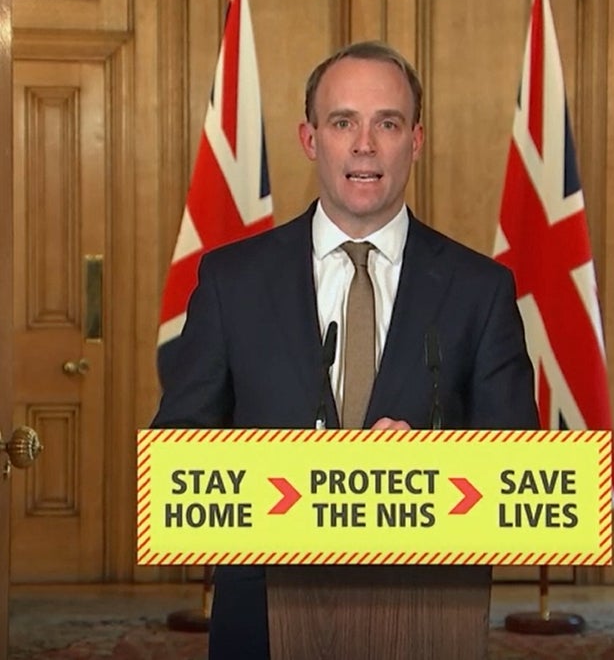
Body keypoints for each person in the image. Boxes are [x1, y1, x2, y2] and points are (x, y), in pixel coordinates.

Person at [151, 40, 539, 660]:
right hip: (263, 616)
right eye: (343, 123)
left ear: (415, 141)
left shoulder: (480, 290)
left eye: (386, 123)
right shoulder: (232, 281)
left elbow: (525, 475)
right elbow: (177, 460)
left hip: (426, 614)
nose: (365, 145)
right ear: (310, 140)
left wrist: (428, 473)